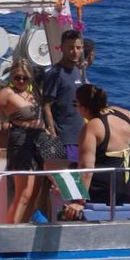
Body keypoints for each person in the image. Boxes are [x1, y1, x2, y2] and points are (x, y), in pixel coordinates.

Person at [61, 84, 130, 220]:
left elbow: (86, 169)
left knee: (51, 165)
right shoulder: (123, 113)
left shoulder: (92, 128)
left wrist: (79, 201)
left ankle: (64, 205)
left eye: (75, 104)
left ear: (84, 107)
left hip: (104, 192)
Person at [0, 64, 62, 223]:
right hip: (21, 142)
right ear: (11, 76)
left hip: (39, 141)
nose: (21, 81)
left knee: (35, 193)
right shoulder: (7, 93)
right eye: (17, 77)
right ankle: (12, 230)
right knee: (24, 193)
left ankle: (23, 227)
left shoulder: (33, 93)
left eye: (25, 78)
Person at [41, 29, 86, 163]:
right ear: (62, 48)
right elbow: (46, 106)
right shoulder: (55, 74)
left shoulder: (77, 71)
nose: (75, 51)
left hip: (79, 136)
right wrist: (53, 135)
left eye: (78, 47)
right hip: (64, 139)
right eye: (71, 48)